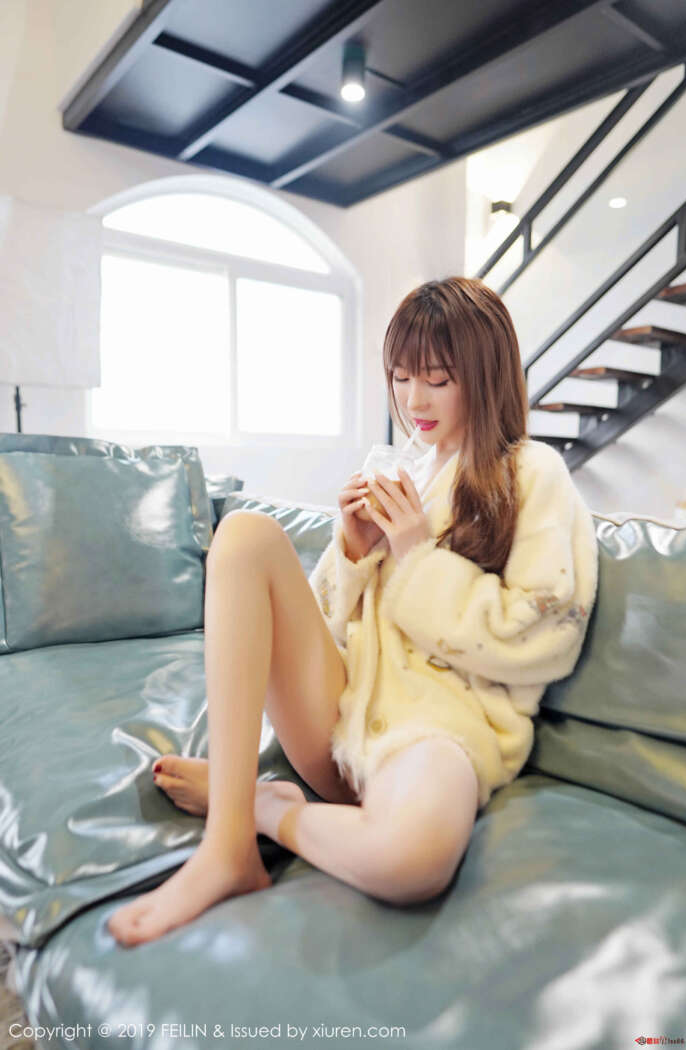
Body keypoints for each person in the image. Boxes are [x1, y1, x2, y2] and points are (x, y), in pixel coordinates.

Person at [107, 276, 598, 948]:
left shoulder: (533, 472)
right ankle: (227, 848)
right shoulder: (404, 471)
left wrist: (417, 555)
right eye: (401, 376)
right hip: (340, 718)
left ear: (485, 377)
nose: (413, 400)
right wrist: (353, 550)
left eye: (438, 379)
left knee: (410, 858)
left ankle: (259, 804)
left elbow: (544, 636)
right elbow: (322, 628)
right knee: (245, 535)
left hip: (440, 734)